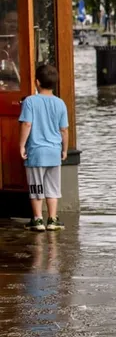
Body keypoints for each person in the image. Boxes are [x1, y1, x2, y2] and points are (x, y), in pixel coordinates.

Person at [19, 64, 69, 232]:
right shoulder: (60, 103)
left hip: (36, 152)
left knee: (36, 187)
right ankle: (53, 219)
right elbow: (64, 130)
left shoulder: (30, 101)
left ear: (37, 82)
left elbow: (27, 124)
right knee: (53, 188)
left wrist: (21, 145)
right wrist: (64, 149)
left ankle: (38, 220)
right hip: (54, 152)